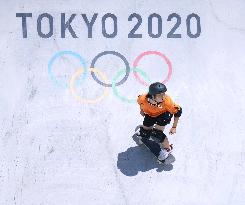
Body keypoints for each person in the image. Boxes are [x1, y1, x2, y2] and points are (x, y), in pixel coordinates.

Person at [137, 82, 182, 160]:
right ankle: (144, 132)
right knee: (145, 132)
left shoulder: (167, 102)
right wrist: (141, 110)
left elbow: (178, 111)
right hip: (150, 114)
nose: (163, 96)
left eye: (164, 94)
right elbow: (140, 103)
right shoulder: (142, 99)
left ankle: (168, 148)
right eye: (160, 95)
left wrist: (174, 127)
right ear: (152, 96)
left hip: (164, 115)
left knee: (157, 135)